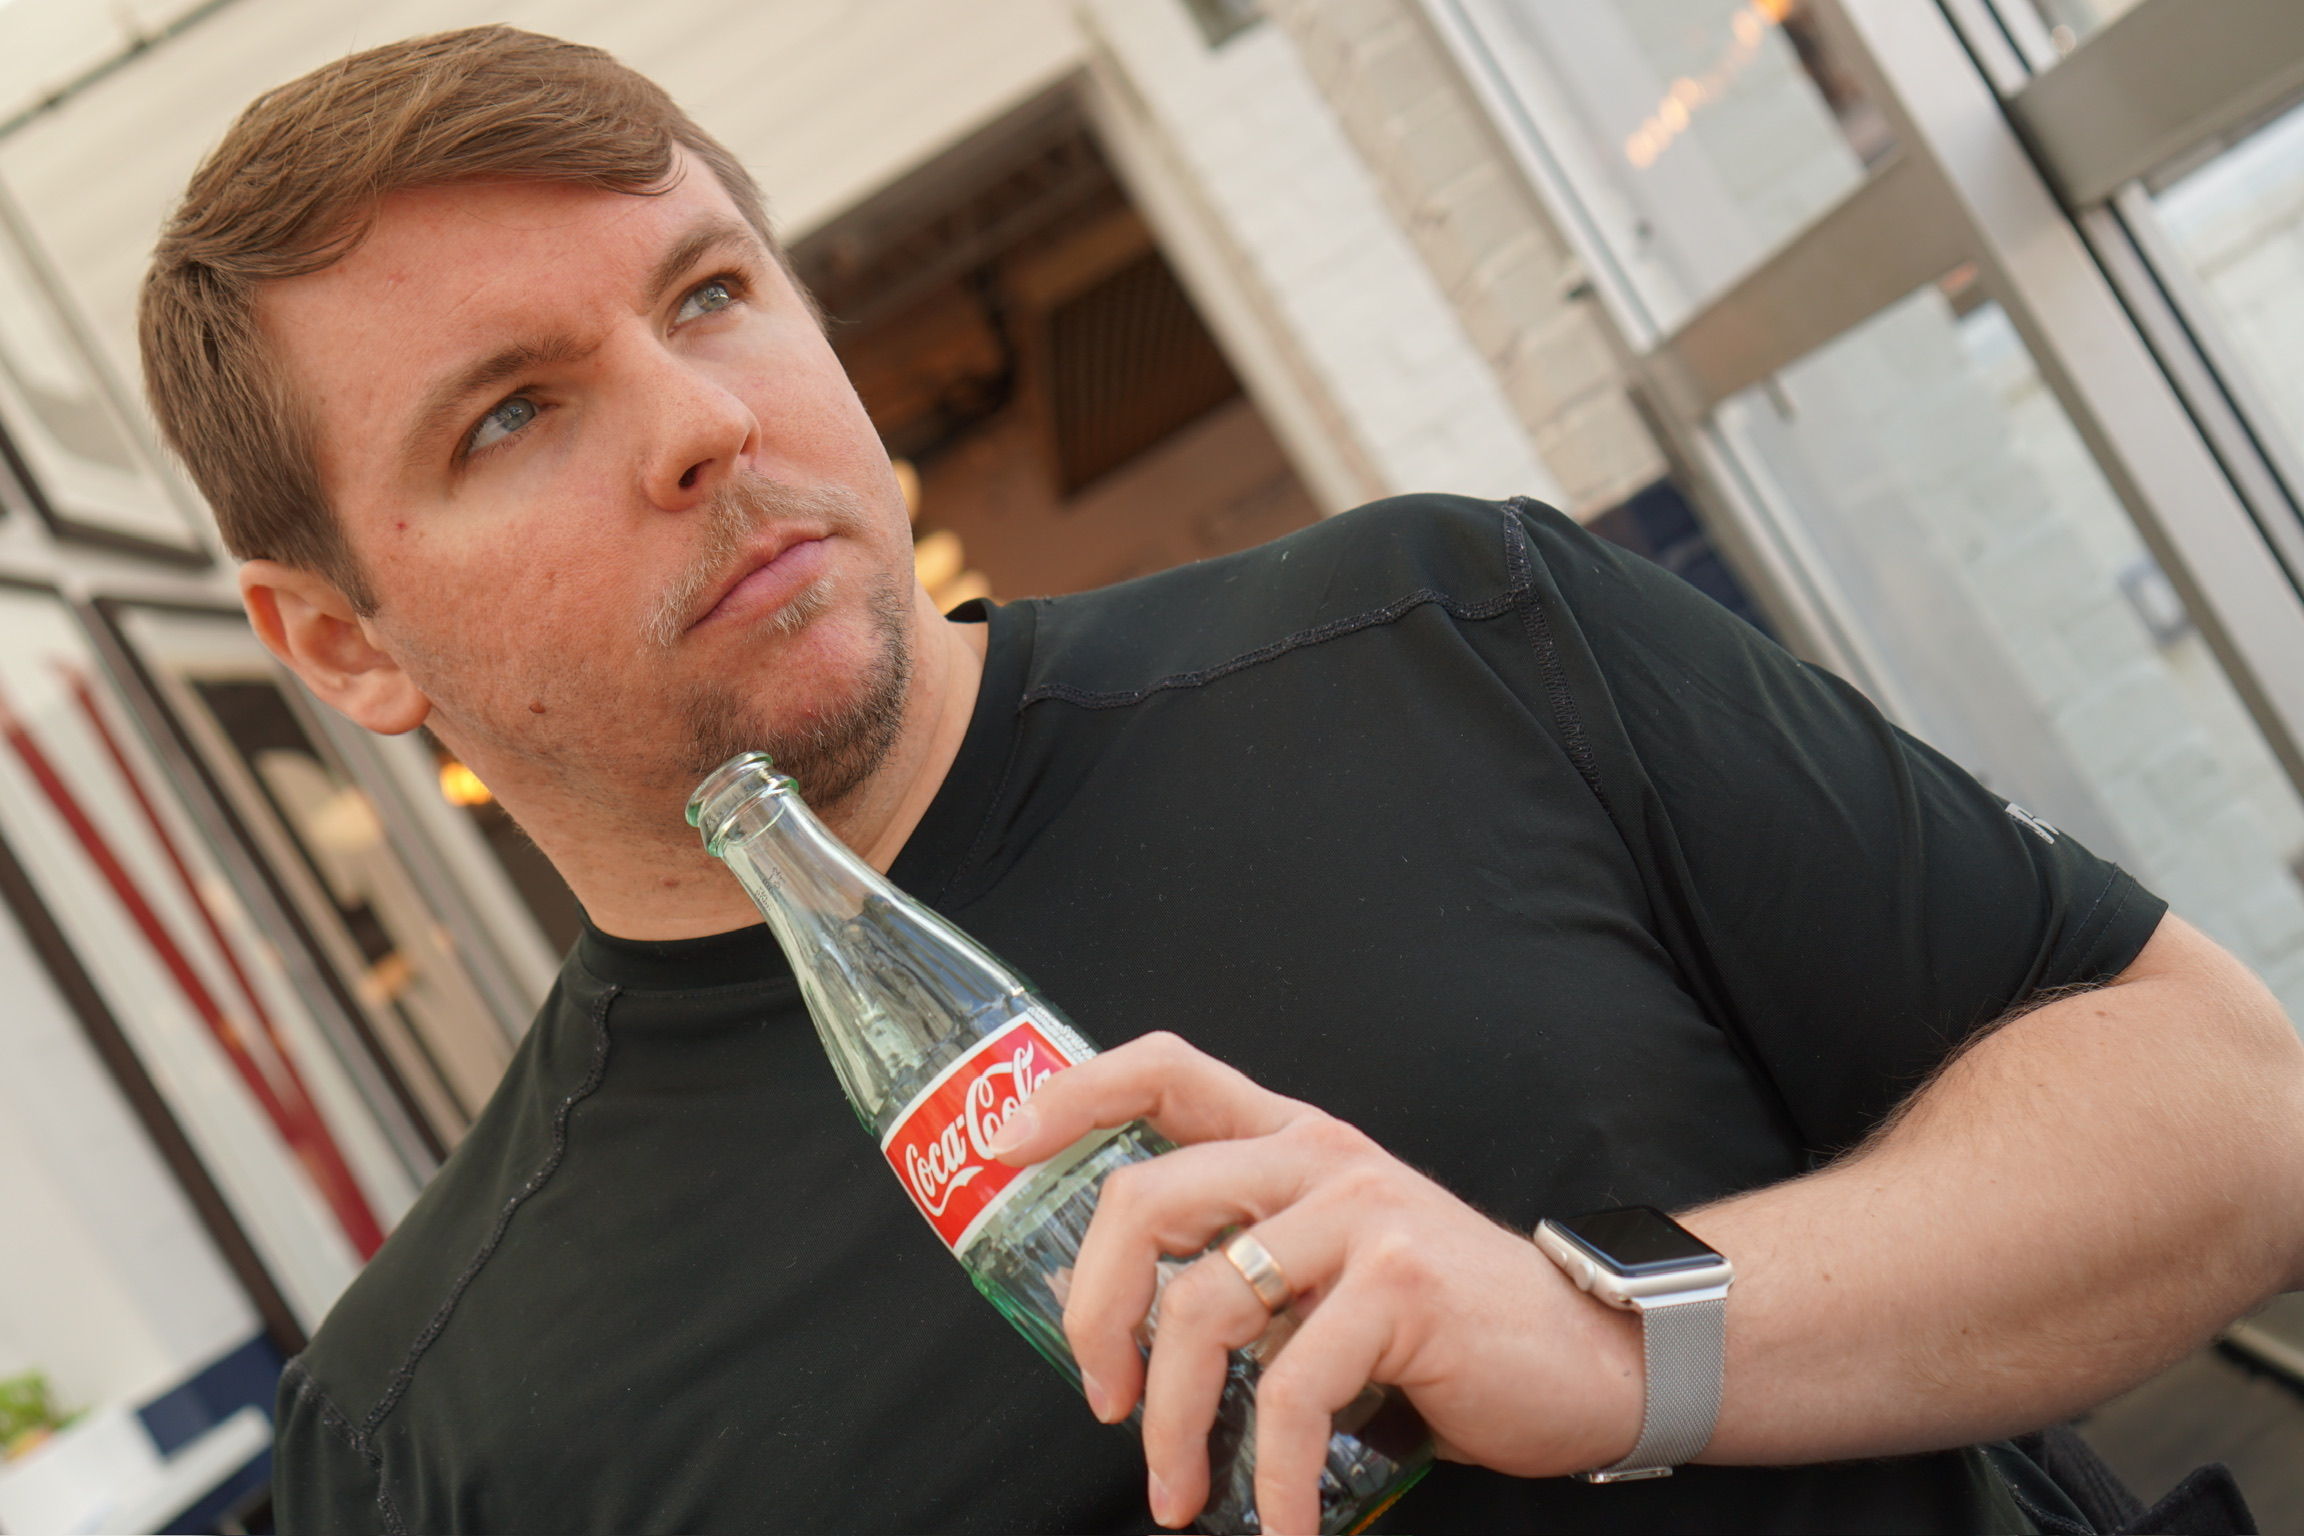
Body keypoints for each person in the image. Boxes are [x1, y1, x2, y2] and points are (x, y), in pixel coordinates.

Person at [135, 25, 2304, 1536]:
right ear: (338, 642)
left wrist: (1614, 1332)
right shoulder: (446, 1431)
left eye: (710, 291)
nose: (699, 421)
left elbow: (2231, 1113)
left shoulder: (1448, 632)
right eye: (509, 414)